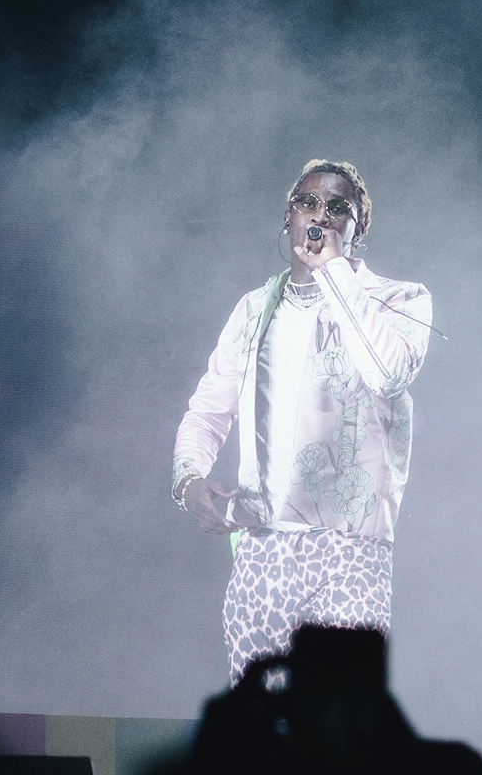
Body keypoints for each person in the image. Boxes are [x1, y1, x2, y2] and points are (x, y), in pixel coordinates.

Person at [171, 160, 432, 684]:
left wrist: (333, 271)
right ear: (288, 216)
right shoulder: (253, 311)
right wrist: (188, 481)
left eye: (338, 208)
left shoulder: (399, 300)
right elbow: (208, 410)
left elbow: (388, 374)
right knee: (258, 722)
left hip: (351, 552)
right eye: (308, 203)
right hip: (263, 549)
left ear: (358, 228)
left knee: (339, 717)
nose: (321, 215)